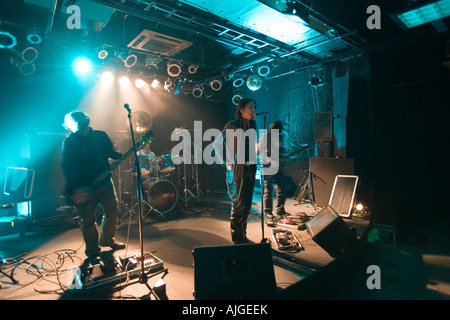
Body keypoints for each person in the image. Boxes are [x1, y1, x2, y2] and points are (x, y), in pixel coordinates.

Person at [60, 110, 125, 263]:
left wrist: (123, 155)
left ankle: (107, 240)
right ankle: (92, 250)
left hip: (104, 183)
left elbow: (112, 153)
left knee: (112, 211)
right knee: (88, 220)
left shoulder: (100, 136)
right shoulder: (69, 142)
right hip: (83, 187)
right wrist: (74, 189)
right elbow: (66, 167)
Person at [216, 98, 258, 244]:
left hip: (250, 169)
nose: (253, 110)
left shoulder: (253, 125)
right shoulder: (232, 125)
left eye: (254, 107)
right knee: (238, 206)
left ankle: (243, 235)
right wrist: (226, 162)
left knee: (247, 205)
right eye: (250, 107)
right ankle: (237, 240)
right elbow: (217, 142)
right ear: (241, 109)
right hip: (236, 170)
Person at [260, 120, 288, 220]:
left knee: (281, 188)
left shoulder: (278, 137)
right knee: (268, 189)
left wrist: (281, 157)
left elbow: (278, 150)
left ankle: (280, 210)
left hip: (277, 166)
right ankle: (268, 211)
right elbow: (261, 153)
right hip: (267, 166)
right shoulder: (265, 137)